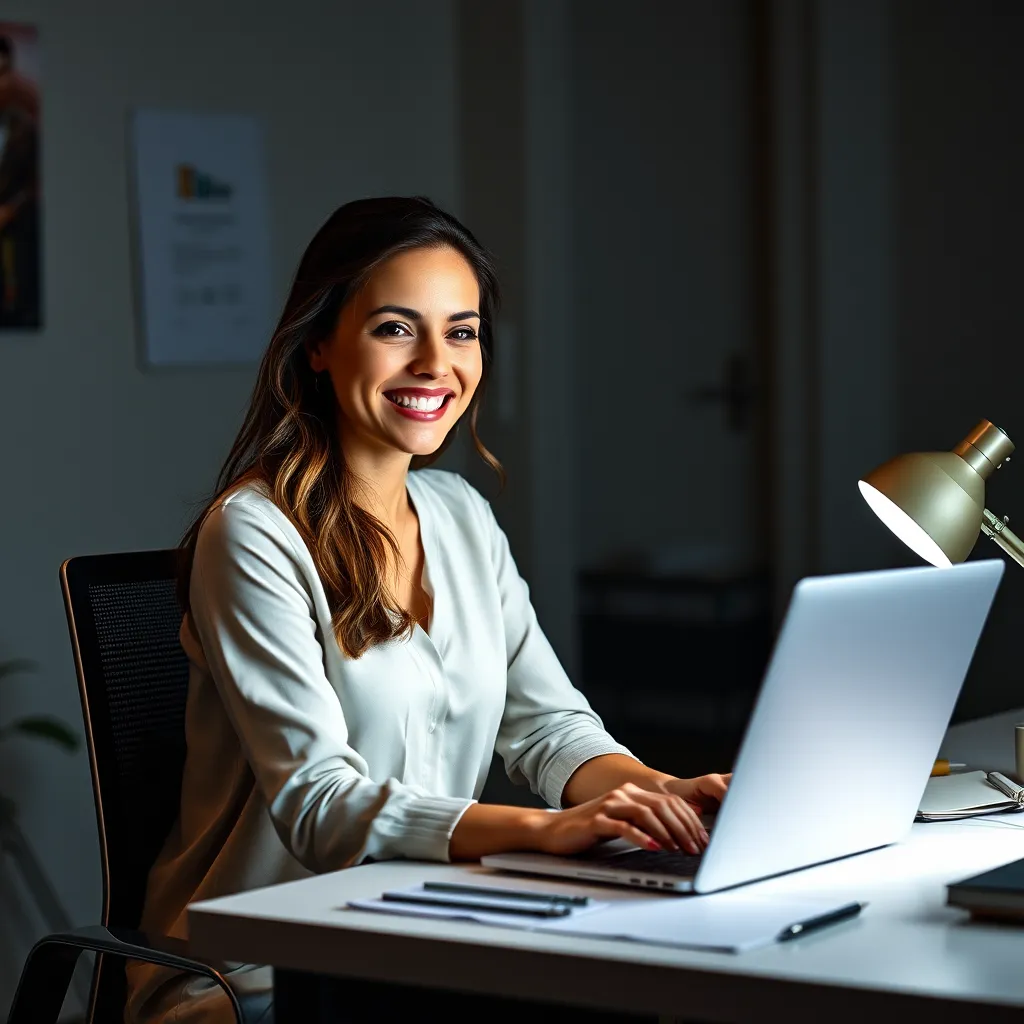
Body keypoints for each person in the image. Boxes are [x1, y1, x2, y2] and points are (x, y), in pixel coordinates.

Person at [126, 196, 730, 1023]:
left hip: (423, 938)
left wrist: (661, 794)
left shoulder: (459, 514)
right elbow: (319, 803)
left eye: (463, 331)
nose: (436, 364)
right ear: (317, 347)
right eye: (395, 329)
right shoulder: (254, 534)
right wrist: (542, 829)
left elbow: (551, 729)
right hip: (256, 979)